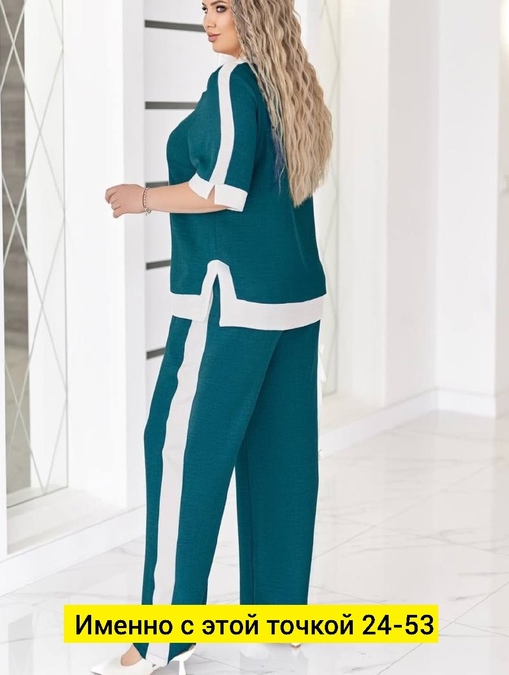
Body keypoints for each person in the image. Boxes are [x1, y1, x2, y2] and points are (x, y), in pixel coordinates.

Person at [91, 0, 333, 673]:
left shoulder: (232, 83)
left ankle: (163, 634)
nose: (208, 19)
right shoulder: (291, 87)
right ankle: (280, 618)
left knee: (174, 448)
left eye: (222, 7)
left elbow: (219, 190)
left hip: (229, 297)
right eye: (204, 7)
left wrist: (141, 197)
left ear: (253, 12)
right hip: (294, 298)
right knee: (282, 455)